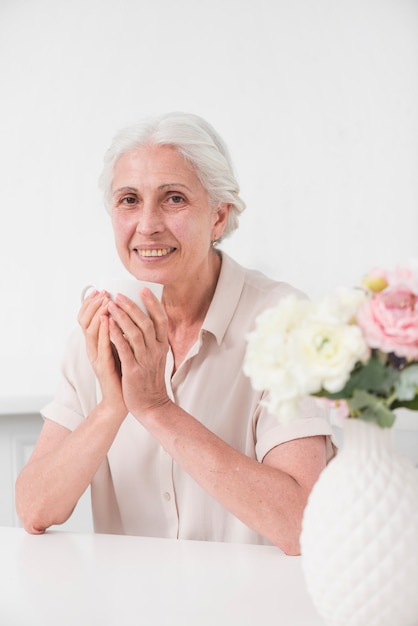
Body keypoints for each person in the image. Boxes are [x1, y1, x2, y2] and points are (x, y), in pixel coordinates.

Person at [15, 112, 336, 555]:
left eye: (174, 199)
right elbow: (33, 509)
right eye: (129, 199)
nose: (147, 224)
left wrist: (154, 407)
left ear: (219, 216)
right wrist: (112, 406)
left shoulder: (285, 322)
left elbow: (304, 523)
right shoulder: (99, 329)